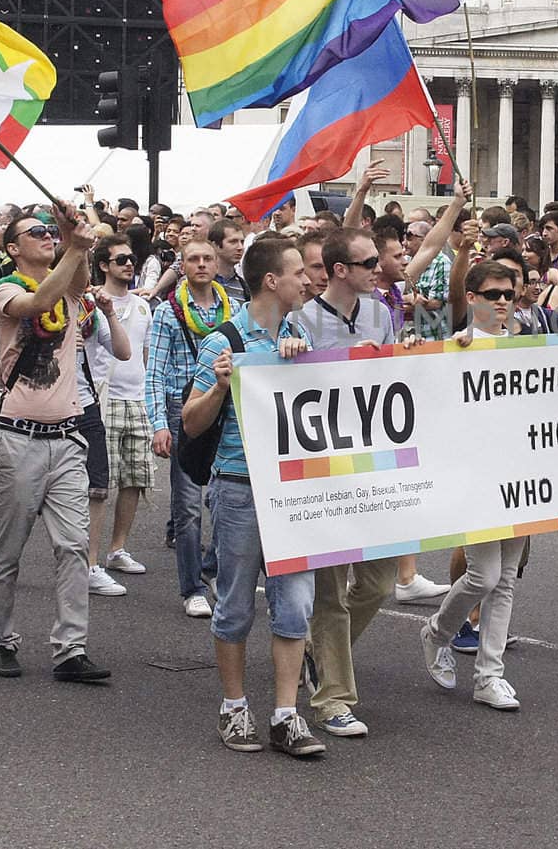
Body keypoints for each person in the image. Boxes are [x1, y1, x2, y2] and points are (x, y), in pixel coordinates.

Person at [182, 236, 325, 757]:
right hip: (240, 489)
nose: (307, 281)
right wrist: (220, 386)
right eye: (297, 273)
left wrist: (300, 360)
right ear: (272, 281)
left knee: (293, 607)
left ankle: (287, 716)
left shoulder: (298, 334)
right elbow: (191, 424)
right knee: (236, 605)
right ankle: (234, 707)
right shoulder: (224, 341)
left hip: (293, 491)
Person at [0, 204, 111, 683]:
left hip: (67, 437)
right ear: (13, 249)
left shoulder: (68, 290)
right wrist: (74, 244)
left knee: (75, 547)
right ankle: (0, 639)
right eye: (33, 233)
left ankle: (70, 649)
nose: (43, 237)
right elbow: (36, 306)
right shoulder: (5, 288)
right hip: (20, 440)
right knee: (7, 549)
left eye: (45, 232)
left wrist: (71, 233)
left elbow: (72, 283)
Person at [293, 227, 406, 738]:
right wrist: (293, 354)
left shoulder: (381, 313)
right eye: (366, 263)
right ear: (340, 270)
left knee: (379, 581)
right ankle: (333, 697)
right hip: (326, 468)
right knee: (329, 592)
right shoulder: (301, 319)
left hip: (376, 461)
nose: (376, 270)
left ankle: (319, 652)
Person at [419, 261, 531, 710]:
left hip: (522, 472)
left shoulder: (526, 346)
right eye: (492, 294)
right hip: (475, 476)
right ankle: (437, 632)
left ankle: (489, 674)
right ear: (472, 298)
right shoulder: (455, 347)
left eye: (508, 293)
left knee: (504, 579)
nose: (502, 300)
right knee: (484, 574)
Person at [145, 236, 236, 618]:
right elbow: (153, 371)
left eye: (207, 259)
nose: (201, 264)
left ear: (216, 265)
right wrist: (158, 424)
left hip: (222, 406)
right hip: (180, 405)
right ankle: (192, 587)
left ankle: (212, 566)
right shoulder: (168, 312)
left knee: (222, 497)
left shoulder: (233, 309)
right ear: (182, 266)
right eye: (193, 259)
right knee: (187, 505)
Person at [88, 235, 151, 589]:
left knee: (135, 478)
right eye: (121, 259)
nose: (130, 264)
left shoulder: (143, 306)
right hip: (103, 397)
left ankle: (117, 549)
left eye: (132, 258)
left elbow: (142, 354)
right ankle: (91, 561)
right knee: (100, 484)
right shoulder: (92, 302)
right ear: (104, 265)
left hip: (136, 398)